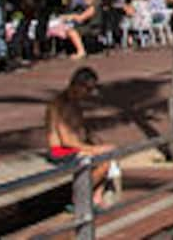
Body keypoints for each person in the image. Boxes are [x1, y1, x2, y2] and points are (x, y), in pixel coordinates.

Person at [45, 67, 120, 210]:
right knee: (103, 161)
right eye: (88, 89)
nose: (89, 93)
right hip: (60, 151)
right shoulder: (59, 105)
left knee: (109, 153)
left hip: (74, 148)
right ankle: (78, 196)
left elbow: (83, 132)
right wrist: (95, 149)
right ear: (77, 85)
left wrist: (98, 144)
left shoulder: (76, 104)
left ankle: (95, 198)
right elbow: (66, 141)